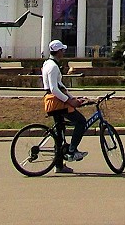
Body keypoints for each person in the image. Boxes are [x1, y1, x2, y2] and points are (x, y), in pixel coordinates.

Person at [42, 39, 88, 171]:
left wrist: (74, 98)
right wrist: (69, 101)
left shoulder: (49, 64)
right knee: (81, 121)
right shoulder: (53, 67)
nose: (64, 52)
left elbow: (60, 87)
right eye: (62, 50)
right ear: (58, 52)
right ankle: (72, 150)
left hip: (56, 100)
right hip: (56, 102)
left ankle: (59, 165)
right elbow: (54, 89)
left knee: (59, 133)